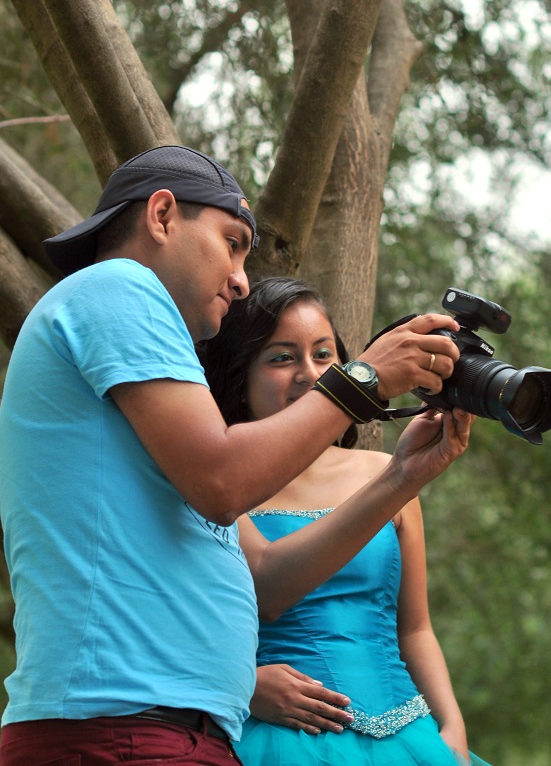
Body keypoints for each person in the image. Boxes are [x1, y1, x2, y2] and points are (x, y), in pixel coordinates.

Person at [0, 145, 469, 766]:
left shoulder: (146, 379)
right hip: (122, 732)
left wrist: (404, 476)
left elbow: (267, 579)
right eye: (232, 242)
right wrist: (364, 380)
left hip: (166, 732)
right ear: (162, 216)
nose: (243, 279)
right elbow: (224, 478)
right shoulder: (120, 286)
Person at [202, 276, 491, 766]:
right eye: (280, 357)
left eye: (323, 354)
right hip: (276, 739)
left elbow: (414, 629)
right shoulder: (220, 482)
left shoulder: (382, 469)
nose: (309, 374)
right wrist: (240, 685)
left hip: (410, 737)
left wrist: (452, 725)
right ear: (239, 377)